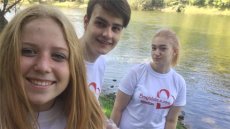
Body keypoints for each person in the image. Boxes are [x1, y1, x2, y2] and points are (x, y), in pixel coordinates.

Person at [0, 4, 105, 129]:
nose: (43, 67)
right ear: (6, 56)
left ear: (74, 66)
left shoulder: (90, 118)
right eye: (28, 51)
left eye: (58, 56)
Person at [111, 28, 187, 129]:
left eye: (163, 48)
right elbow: (118, 108)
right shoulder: (136, 72)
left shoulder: (179, 82)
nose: (156, 52)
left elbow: (171, 120)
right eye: (154, 48)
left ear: (174, 51)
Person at [80, 0, 131, 99]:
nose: (108, 34)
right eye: (100, 23)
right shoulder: (64, 61)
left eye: (115, 28)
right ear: (86, 22)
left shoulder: (101, 61)